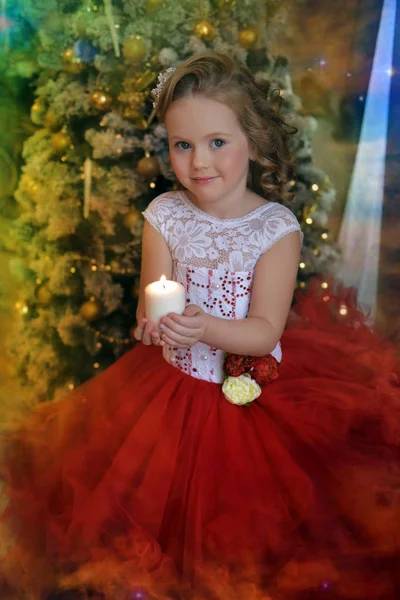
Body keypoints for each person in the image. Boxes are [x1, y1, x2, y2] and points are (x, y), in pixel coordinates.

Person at [1, 52, 400, 600]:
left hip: (249, 396)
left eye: (217, 142)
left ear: (254, 142)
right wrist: (152, 324)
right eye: (182, 145)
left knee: (240, 539)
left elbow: (263, 332)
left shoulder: (275, 229)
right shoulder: (165, 215)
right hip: (168, 387)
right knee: (150, 523)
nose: (198, 162)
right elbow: (154, 297)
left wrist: (203, 327)